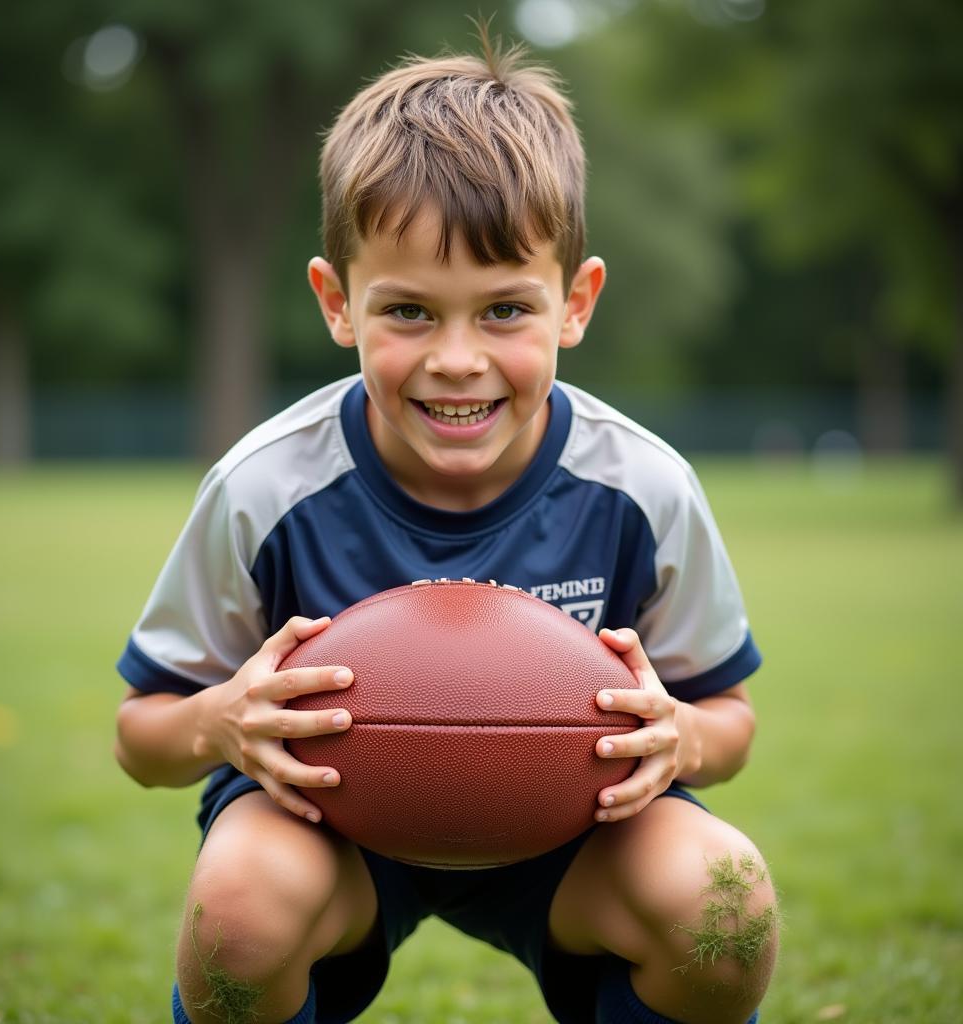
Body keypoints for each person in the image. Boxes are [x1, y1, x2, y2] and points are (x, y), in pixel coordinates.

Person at [114, 31, 778, 1024]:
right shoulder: (264, 487)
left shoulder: (641, 485)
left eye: (505, 309)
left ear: (575, 303)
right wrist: (223, 722)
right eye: (411, 312)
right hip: (323, 830)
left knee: (723, 904)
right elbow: (142, 735)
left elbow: (728, 719)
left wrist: (677, 735)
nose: (457, 358)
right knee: (237, 917)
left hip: (572, 832)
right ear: (336, 303)